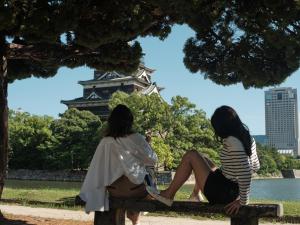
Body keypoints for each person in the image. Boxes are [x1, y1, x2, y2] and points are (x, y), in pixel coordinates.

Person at [148, 105, 260, 215]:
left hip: (224, 192)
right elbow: (255, 167)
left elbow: (245, 173)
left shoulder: (233, 142)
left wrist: (242, 201)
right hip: (230, 187)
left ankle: (168, 194)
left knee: (191, 155)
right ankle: (195, 194)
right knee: (203, 158)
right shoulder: (248, 138)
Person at [79, 104, 157, 225]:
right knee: (149, 173)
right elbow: (152, 160)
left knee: (137, 173)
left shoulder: (105, 141)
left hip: (114, 191)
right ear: (130, 121)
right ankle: (135, 217)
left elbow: (97, 169)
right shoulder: (137, 138)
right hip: (135, 190)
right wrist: (148, 145)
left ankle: (130, 214)